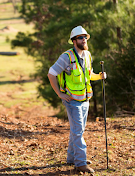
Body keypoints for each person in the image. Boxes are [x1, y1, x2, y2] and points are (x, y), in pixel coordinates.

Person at [47, 26, 106, 173]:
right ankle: (80, 163)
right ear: (74, 41)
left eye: (85, 37)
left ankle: (72, 158)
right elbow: (51, 73)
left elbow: (88, 74)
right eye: (80, 37)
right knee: (78, 131)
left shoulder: (87, 55)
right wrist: (60, 94)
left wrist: (99, 76)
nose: (84, 39)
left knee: (77, 130)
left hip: (85, 99)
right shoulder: (66, 57)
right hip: (72, 100)